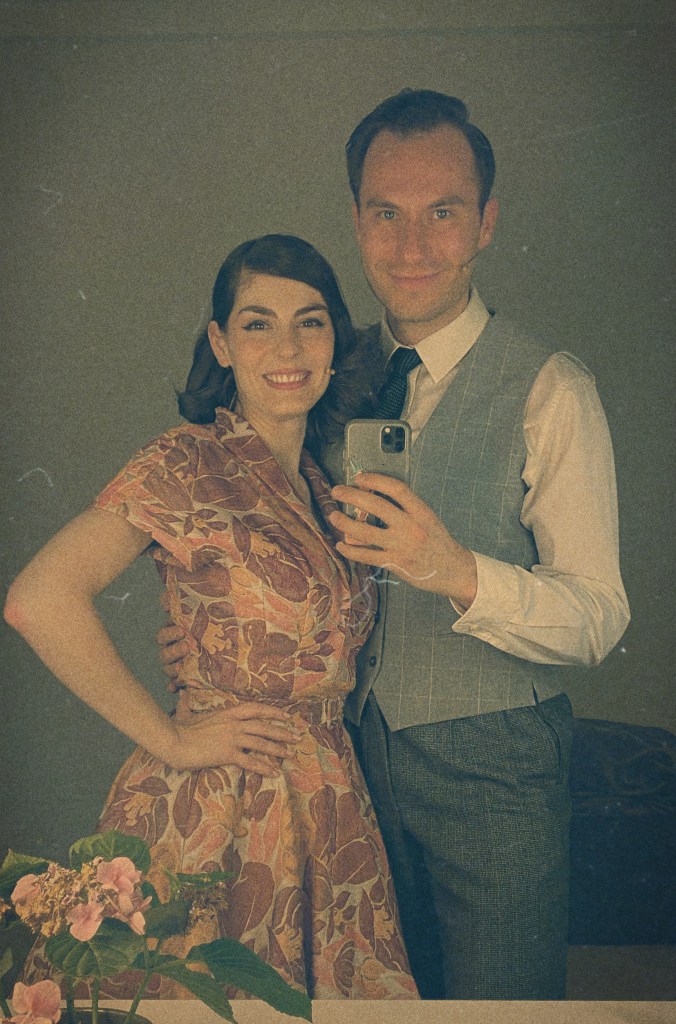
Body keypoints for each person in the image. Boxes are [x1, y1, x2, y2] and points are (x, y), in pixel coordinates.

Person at [157, 90, 631, 1001]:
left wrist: (452, 572)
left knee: (502, 1016)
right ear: (357, 221)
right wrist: (209, 634)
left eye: (442, 212)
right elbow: (253, 541)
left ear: (486, 223)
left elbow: (600, 618)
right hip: (340, 773)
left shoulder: (551, 388)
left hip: (496, 776)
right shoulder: (320, 368)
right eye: (387, 213)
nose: (412, 245)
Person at [3, 234, 419, 1001]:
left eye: (311, 322)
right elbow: (38, 598)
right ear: (222, 344)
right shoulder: (187, 461)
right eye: (259, 323)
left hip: (331, 810)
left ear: (335, 343)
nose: (287, 347)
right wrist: (171, 737)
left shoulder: (325, 485)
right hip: (219, 805)